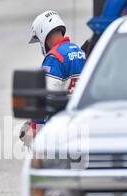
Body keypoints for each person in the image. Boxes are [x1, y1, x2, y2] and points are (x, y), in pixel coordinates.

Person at [20, 10, 86, 146]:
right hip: (81, 123)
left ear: (44, 32)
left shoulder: (54, 58)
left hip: (59, 129)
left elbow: (46, 99)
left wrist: (34, 130)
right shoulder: (79, 51)